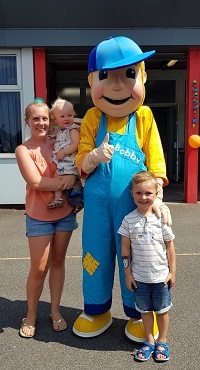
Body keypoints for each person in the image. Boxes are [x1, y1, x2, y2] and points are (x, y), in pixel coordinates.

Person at [73, 36, 172, 341]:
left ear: (142, 76)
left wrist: (157, 196)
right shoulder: (92, 117)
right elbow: (81, 160)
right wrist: (92, 157)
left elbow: (155, 158)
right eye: (106, 76)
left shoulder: (143, 117)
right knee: (95, 254)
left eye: (128, 75)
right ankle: (97, 309)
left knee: (136, 257)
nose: (117, 85)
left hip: (135, 205)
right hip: (98, 205)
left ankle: (137, 313)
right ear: (93, 80)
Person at [15, 99, 78, 338]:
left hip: (64, 213)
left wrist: (74, 178)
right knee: (39, 268)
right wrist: (69, 181)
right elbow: (36, 183)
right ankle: (30, 315)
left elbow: (76, 157)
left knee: (58, 263)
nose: (41, 123)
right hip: (38, 216)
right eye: (35, 119)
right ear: (27, 122)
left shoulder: (58, 141)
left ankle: (54, 311)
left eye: (44, 118)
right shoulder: (23, 150)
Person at [118, 171, 176, 362]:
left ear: (156, 194)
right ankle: (150, 341)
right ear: (132, 194)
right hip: (140, 277)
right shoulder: (128, 220)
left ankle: (163, 341)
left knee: (162, 310)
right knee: (145, 311)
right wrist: (127, 274)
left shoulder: (161, 219)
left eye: (148, 193)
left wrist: (172, 272)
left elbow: (170, 248)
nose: (143, 197)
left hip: (160, 277)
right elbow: (125, 250)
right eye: (139, 193)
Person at [47, 98, 83, 214]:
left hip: (69, 161)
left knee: (56, 177)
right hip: (65, 162)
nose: (67, 118)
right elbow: (61, 139)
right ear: (55, 119)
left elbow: (76, 144)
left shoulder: (72, 129)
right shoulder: (60, 130)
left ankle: (59, 198)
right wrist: (53, 138)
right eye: (62, 116)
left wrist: (63, 152)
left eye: (70, 115)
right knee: (70, 182)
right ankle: (77, 195)